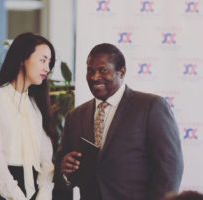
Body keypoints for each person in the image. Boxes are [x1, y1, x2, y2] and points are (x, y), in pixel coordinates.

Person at [56, 43, 184, 200]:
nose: (95, 77)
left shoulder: (150, 106)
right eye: (90, 71)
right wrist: (65, 170)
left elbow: (169, 168)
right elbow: (67, 170)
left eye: (103, 70)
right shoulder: (75, 116)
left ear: (122, 72)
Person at [0, 32, 56, 200]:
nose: (47, 68)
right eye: (43, 60)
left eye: (49, 62)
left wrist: (44, 191)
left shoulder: (35, 104)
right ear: (22, 59)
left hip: (33, 190)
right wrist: (17, 197)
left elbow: (45, 156)